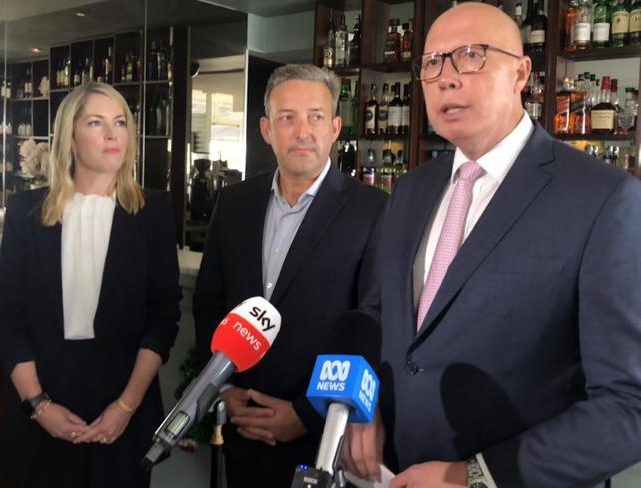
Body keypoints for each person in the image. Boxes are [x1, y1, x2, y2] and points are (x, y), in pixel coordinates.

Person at [344, 3, 641, 488]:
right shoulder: (411, 190)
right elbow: (378, 319)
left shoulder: (605, 199)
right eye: (432, 63)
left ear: (522, 72)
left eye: (471, 55)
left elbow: (629, 406)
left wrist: (473, 478)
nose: (447, 78)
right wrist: (362, 404)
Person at [193, 64, 387, 487]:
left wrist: (306, 413)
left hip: (318, 437)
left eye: (316, 117)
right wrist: (224, 389)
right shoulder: (235, 202)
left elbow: (371, 321)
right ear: (266, 129)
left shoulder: (373, 209)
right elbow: (210, 301)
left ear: (336, 127)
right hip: (243, 423)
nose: (303, 131)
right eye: (287, 118)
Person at [0, 82, 181, 488]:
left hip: (124, 400)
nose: (113, 134)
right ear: (70, 137)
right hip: (41, 394)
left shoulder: (153, 213)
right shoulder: (27, 212)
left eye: (120, 123)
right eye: (96, 123)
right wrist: (40, 406)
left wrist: (125, 407)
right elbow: (8, 320)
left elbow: (163, 319)